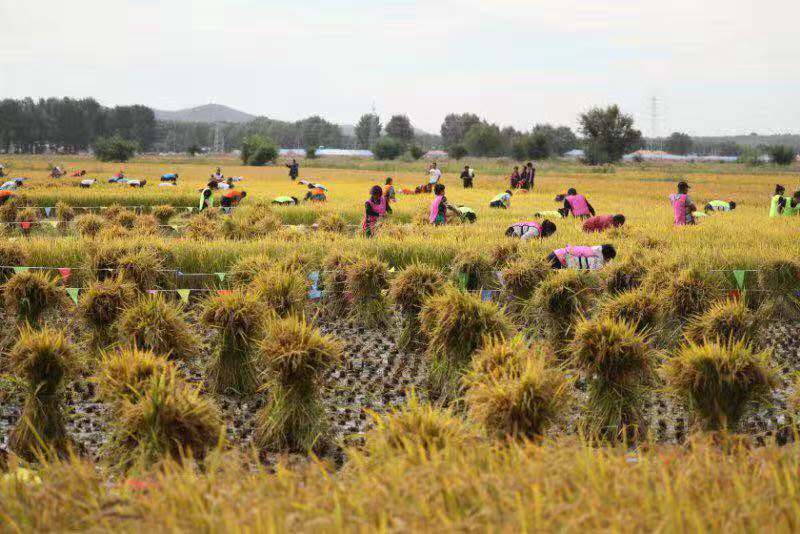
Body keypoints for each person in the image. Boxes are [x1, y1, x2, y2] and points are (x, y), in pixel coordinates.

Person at [547, 244, 616, 270]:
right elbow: (588, 274)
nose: (608, 261)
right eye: (609, 258)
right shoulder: (594, 259)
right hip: (559, 260)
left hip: (555, 253)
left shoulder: (592, 250)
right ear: (605, 255)